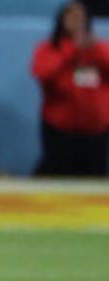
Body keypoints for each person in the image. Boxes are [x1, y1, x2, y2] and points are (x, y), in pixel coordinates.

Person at [32, 1, 109, 176]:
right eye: (71, 16)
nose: (76, 21)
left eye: (80, 17)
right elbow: (42, 73)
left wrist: (95, 48)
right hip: (60, 131)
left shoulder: (98, 49)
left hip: (95, 133)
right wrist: (71, 50)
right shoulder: (49, 49)